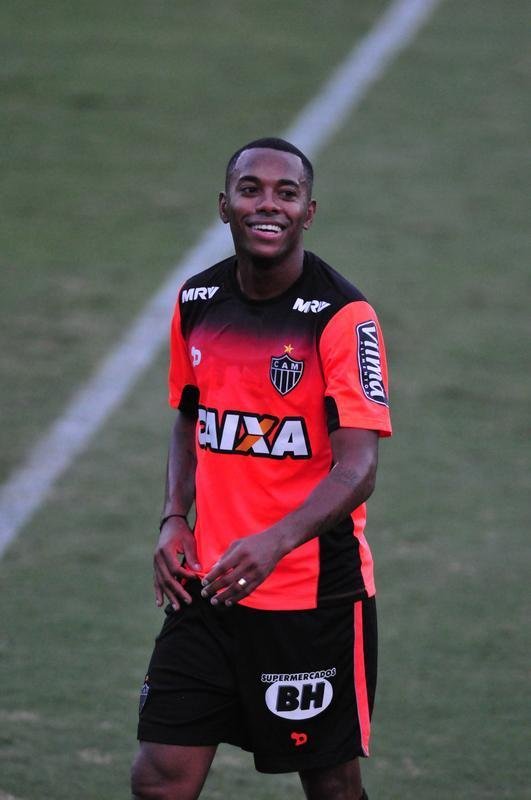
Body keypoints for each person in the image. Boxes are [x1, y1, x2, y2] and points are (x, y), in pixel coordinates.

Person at [131, 137, 392, 800]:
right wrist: (172, 518)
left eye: (285, 192)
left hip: (311, 599)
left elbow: (357, 467)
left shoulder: (341, 316)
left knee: (331, 785)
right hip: (208, 588)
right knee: (160, 777)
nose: (267, 203)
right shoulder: (196, 301)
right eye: (251, 189)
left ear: (309, 211)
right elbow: (190, 419)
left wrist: (274, 541)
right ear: (225, 206)